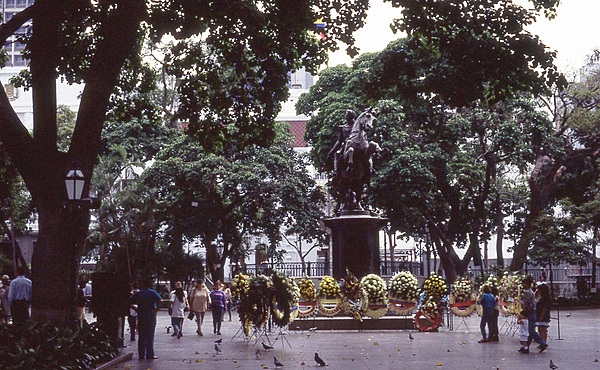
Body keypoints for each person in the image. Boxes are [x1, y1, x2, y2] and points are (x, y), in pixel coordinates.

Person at [130, 277, 162, 360]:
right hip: (151, 316)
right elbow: (160, 300)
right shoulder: (152, 292)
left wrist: (136, 309)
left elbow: (129, 302)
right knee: (150, 335)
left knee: (141, 336)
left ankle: (141, 354)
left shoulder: (139, 293)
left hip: (141, 315)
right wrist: (156, 309)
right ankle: (150, 354)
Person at [520, 276, 548, 353]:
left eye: (524, 283)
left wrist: (523, 311)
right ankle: (526, 346)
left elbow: (526, 303)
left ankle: (542, 343)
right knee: (529, 330)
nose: (523, 285)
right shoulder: (531, 291)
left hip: (529, 312)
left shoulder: (527, 292)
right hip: (532, 312)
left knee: (531, 330)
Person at [326, 109, 356, 173]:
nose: (346, 117)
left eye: (347, 115)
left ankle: (370, 167)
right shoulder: (343, 128)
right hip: (346, 146)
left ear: (352, 117)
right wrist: (331, 152)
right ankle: (336, 171)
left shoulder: (357, 126)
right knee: (337, 154)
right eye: (346, 115)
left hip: (357, 144)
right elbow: (339, 141)